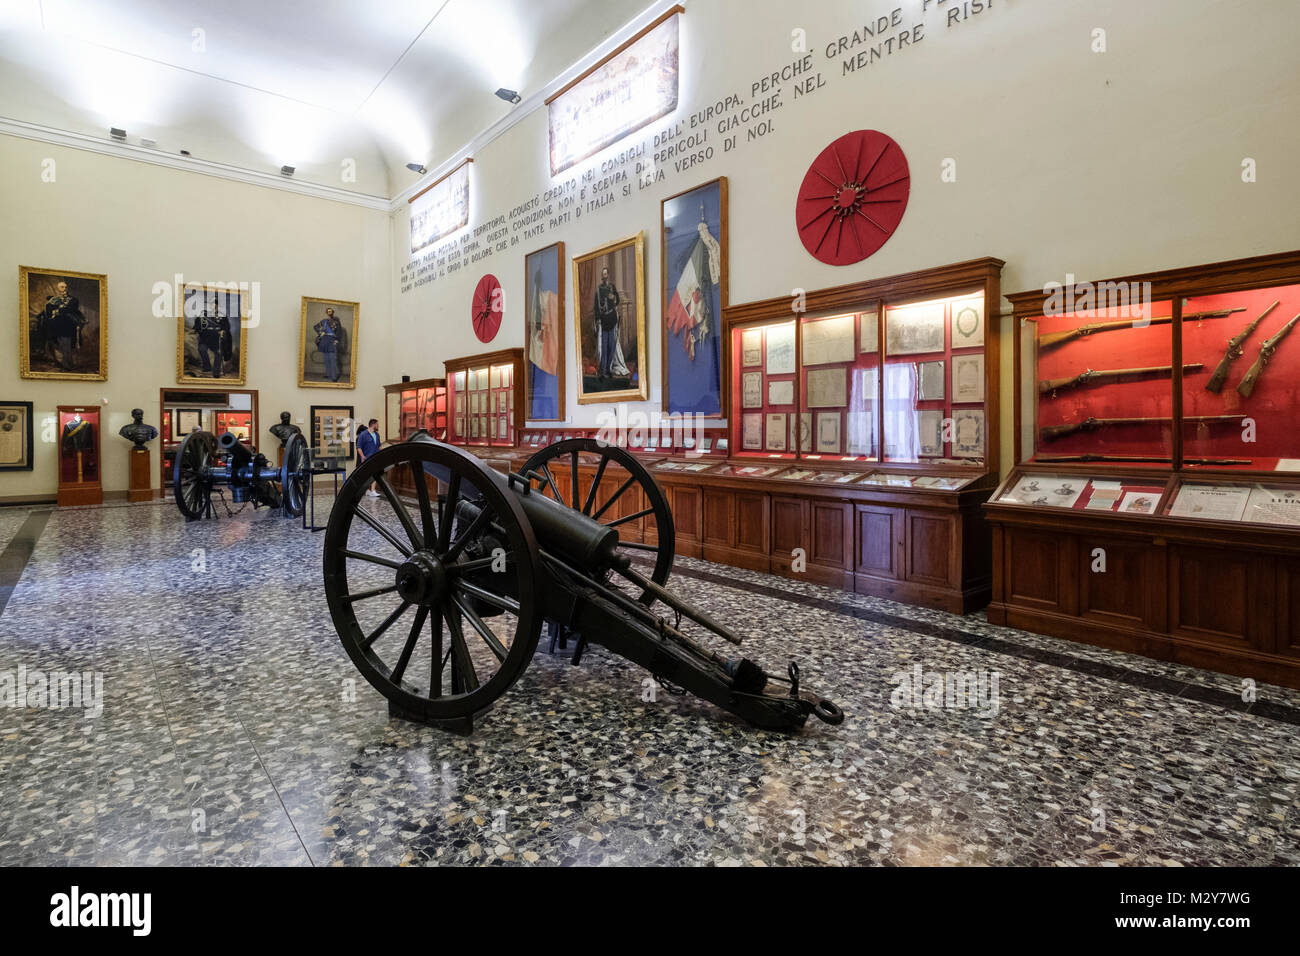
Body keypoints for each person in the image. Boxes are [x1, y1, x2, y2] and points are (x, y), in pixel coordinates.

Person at [36, 280, 86, 371]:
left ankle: (68, 365)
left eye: (66, 287)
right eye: (62, 287)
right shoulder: (52, 300)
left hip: (68, 326)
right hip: (55, 326)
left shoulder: (73, 300)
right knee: (57, 344)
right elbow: (49, 310)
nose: (65, 289)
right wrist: (59, 310)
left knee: (68, 345)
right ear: (58, 289)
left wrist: (58, 310)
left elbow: (70, 309)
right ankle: (61, 363)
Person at [593, 266, 620, 381]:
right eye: (603, 274)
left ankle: (608, 369)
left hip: (612, 319)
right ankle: (603, 371)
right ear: (601, 276)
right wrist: (598, 319)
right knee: (604, 347)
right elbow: (596, 306)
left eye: (606, 274)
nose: (604, 276)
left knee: (611, 346)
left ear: (608, 275)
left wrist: (613, 297)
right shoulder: (599, 290)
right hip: (604, 320)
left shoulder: (612, 287)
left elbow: (617, 300)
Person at [314, 307, 345, 382]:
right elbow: (316, 327)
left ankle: (334, 377)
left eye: (330, 311)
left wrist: (337, 340)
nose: (329, 312)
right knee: (326, 359)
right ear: (327, 313)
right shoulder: (324, 321)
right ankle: (328, 374)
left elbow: (339, 332)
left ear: (333, 312)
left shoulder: (337, 321)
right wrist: (321, 333)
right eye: (328, 311)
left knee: (332, 359)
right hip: (324, 340)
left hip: (332, 340)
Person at [356, 419, 381, 497]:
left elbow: (379, 446)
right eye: (377, 424)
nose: (378, 426)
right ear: (373, 425)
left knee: (375, 474)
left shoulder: (377, 435)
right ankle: (366, 490)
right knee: (366, 476)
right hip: (367, 459)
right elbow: (359, 447)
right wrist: (363, 457)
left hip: (376, 458)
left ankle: (373, 490)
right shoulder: (363, 435)